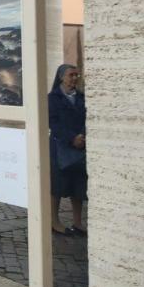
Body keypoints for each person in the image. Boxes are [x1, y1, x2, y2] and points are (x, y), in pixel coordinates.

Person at [49, 64, 87, 236]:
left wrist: (82, 136)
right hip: (60, 146)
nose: (74, 78)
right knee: (58, 185)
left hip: (80, 145)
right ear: (61, 77)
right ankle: (54, 221)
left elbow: (88, 118)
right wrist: (72, 138)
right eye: (71, 75)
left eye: (76, 75)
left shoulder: (81, 97)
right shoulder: (53, 98)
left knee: (78, 185)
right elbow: (53, 123)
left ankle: (78, 222)